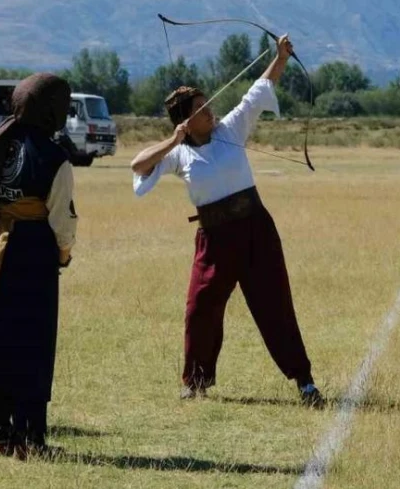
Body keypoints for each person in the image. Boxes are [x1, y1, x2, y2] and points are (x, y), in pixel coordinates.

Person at [129, 35, 323, 407]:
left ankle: (304, 381)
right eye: (201, 109)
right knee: (200, 307)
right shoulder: (178, 155)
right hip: (214, 239)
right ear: (185, 120)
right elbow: (138, 165)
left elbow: (258, 89)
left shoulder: (230, 129)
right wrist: (173, 141)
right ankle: (195, 382)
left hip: (256, 231)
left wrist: (280, 56)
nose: (210, 112)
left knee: (274, 305)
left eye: (208, 105)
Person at [0, 73, 78, 458]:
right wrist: (63, 253)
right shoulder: (55, 156)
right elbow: (61, 219)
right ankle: (31, 440)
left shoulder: (1, 142)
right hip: (32, 249)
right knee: (32, 345)